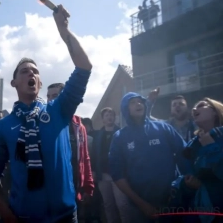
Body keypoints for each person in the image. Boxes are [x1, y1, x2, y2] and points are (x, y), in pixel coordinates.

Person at [0, 4, 92, 223]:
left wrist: (64, 32)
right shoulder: (4, 126)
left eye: (35, 71)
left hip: (65, 215)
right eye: (24, 71)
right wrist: (6, 213)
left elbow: (84, 67)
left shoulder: (58, 109)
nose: (31, 73)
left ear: (40, 82)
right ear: (14, 82)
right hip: (24, 216)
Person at [109, 92, 190, 223]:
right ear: (125, 109)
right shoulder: (119, 137)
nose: (138, 104)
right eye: (132, 102)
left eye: (140, 101)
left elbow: (185, 153)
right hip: (139, 207)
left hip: (173, 200)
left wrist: (187, 183)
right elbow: (117, 174)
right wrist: (141, 204)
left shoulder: (163, 128)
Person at [171, 98, 223, 223]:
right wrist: (187, 184)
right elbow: (188, 175)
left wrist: (210, 146)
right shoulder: (192, 146)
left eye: (201, 106)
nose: (194, 109)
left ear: (215, 111)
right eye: (194, 108)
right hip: (197, 212)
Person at [47, 83, 94, 218]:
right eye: (48, 97)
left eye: (55, 96)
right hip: (50, 190)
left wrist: (88, 186)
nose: (50, 100)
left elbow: (85, 157)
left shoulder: (78, 126)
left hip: (74, 188)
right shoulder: (43, 122)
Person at [91, 107, 123, 223]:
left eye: (111, 115)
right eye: (106, 115)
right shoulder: (98, 135)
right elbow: (93, 154)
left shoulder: (121, 132)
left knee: (122, 204)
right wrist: (93, 171)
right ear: (103, 119)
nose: (109, 117)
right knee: (108, 204)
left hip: (118, 175)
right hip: (102, 175)